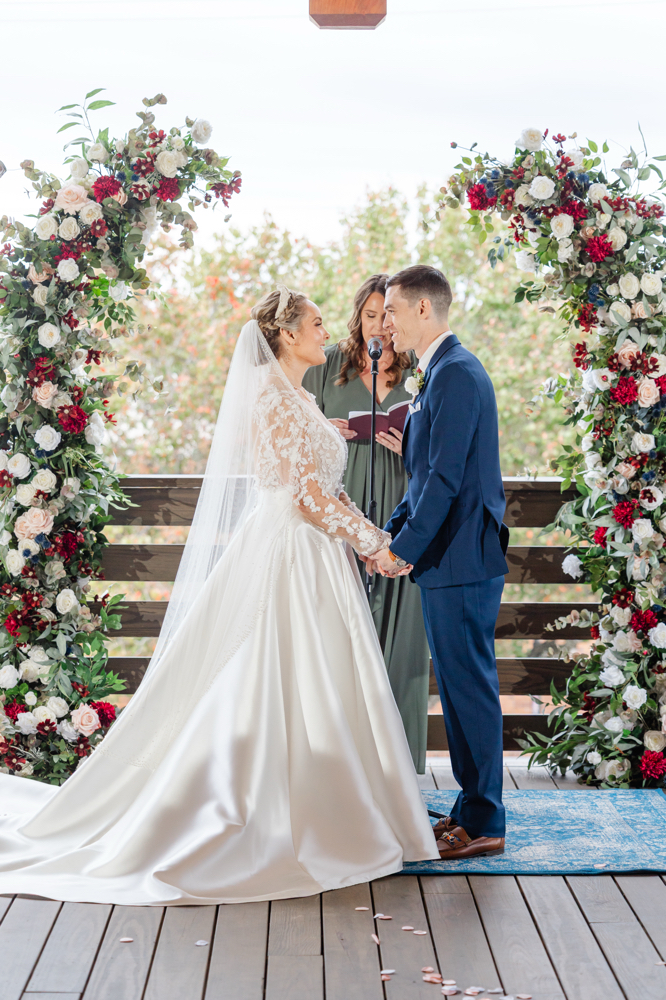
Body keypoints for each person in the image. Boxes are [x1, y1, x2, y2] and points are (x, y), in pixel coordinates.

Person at [0, 285, 438, 905]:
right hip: (289, 553)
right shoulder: (275, 400)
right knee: (273, 676)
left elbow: (321, 488)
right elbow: (306, 501)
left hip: (312, 553)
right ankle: (271, 811)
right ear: (286, 335)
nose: (326, 332)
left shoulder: (297, 394)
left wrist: (372, 537)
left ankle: (335, 802)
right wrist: (373, 544)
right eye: (316, 323)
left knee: (316, 681)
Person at [364, 264, 509, 861]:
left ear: (424, 311)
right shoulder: (439, 374)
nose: (386, 322)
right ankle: (471, 808)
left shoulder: (455, 374)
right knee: (457, 687)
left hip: (463, 558)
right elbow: (423, 477)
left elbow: (446, 482)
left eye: (392, 310)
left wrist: (403, 549)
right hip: (449, 558)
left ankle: (485, 822)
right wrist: (391, 532)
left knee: (469, 688)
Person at [303, 274, 430, 772]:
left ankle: (396, 770)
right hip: (341, 507)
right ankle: (339, 766)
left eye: (388, 316)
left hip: (403, 502)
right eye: (371, 315)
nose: (379, 326)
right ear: (358, 316)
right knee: (342, 630)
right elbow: (291, 426)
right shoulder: (327, 363)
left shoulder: (419, 366)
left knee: (402, 633)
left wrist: (413, 445)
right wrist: (323, 432)